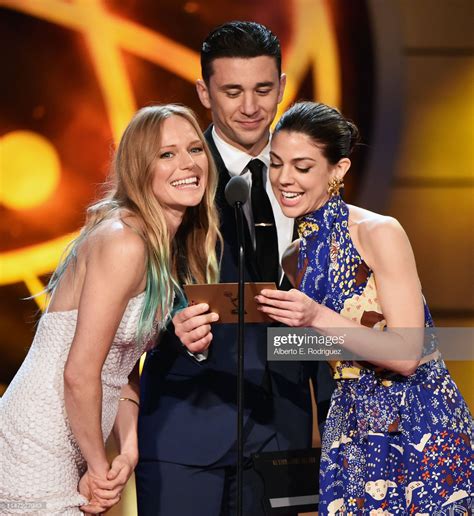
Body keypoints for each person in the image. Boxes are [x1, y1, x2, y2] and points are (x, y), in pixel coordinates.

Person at [137, 21, 335, 516]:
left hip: (284, 433)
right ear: (204, 92)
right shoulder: (174, 174)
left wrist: (337, 420)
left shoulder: (313, 177)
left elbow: (329, 302)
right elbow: (122, 296)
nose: (250, 107)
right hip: (186, 434)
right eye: (232, 91)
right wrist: (167, 324)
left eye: (263, 89)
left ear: (283, 86)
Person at [0, 104, 221, 515]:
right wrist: (100, 469)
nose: (188, 164)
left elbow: (119, 370)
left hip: (77, 443)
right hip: (37, 442)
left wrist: (129, 450)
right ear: (140, 167)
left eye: (195, 149)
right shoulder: (124, 242)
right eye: (167, 154)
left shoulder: (161, 248)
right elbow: (79, 373)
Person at [256, 101, 474, 514]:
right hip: (352, 425)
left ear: (338, 170)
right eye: (276, 164)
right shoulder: (294, 258)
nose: (284, 179)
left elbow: (408, 353)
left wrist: (315, 316)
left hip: (417, 420)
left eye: (302, 167)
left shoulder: (379, 232)